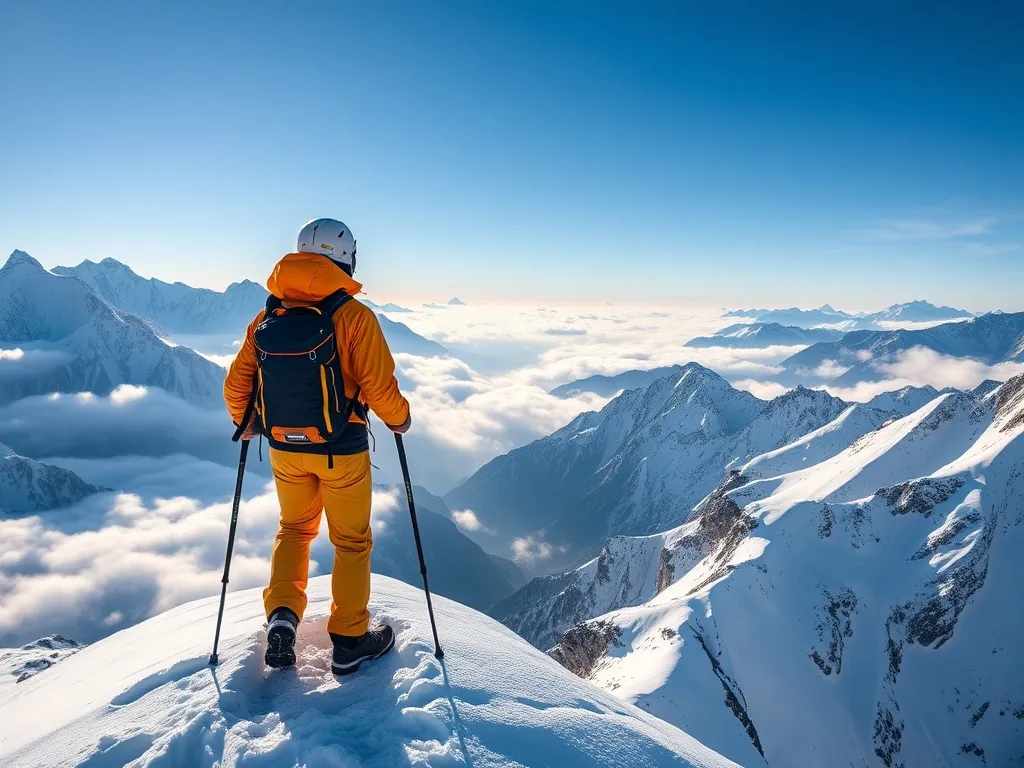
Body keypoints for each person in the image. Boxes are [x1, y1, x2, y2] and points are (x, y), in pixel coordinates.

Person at [224, 218, 411, 675]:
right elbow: (379, 387)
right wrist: (400, 420)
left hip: (285, 449)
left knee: (294, 530)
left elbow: (236, 385)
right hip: (341, 450)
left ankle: (283, 616)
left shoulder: (268, 317)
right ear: (346, 258)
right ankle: (349, 639)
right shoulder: (353, 316)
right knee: (350, 541)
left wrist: (246, 424)